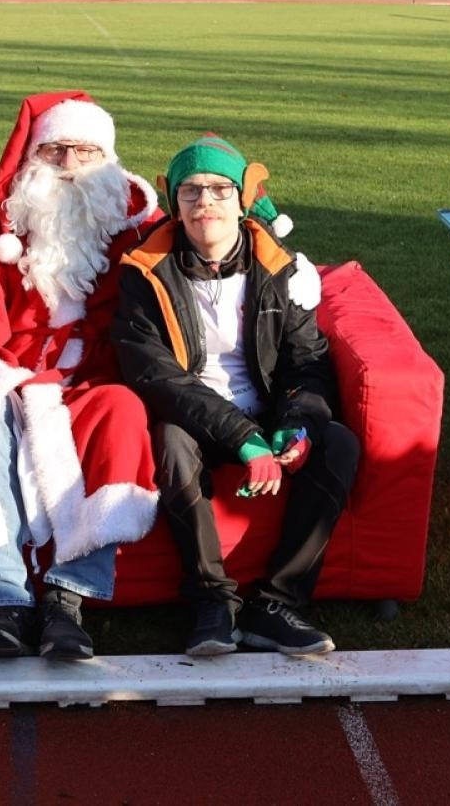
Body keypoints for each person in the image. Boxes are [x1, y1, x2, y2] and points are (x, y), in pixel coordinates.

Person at [0, 91, 162, 660]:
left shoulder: (141, 231)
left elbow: (217, 224)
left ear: (109, 160)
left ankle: (68, 600)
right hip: (12, 368)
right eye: (55, 152)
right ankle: (2, 600)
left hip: (98, 373)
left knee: (121, 413)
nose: (71, 167)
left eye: (85, 152)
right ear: (32, 160)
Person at [113, 135, 359, 657]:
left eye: (221, 190)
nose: (206, 203)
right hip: (195, 414)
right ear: (174, 202)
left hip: (267, 410)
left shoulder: (281, 268)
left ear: (243, 198)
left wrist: (297, 426)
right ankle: (211, 601)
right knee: (172, 442)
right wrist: (244, 439)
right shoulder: (144, 271)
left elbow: (307, 364)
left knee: (337, 444)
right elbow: (153, 373)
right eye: (192, 192)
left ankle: (277, 603)